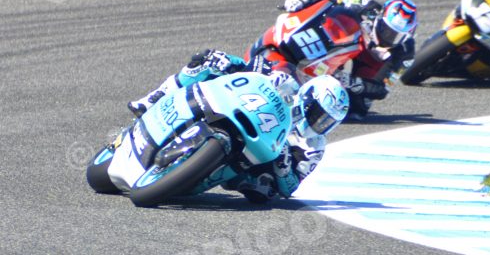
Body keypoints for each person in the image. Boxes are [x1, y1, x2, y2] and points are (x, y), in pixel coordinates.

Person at [127, 49, 349, 203]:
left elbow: (291, 187)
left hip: (252, 163)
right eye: (320, 115)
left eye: (328, 122)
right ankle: (152, 99)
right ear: (308, 99)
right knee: (205, 60)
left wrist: (283, 165)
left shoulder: (314, 147)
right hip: (241, 112)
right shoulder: (287, 85)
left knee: (265, 190)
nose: (320, 124)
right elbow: (254, 69)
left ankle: (198, 175)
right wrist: (230, 62)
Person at [266, 0, 418, 119]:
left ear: (407, 35)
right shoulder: (369, 7)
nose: (388, 36)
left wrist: (352, 82)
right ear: (380, 17)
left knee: (357, 109)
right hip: (347, 46)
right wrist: (302, 0)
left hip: (364, 73)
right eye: (386, 29)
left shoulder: (406, 53)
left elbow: (382, 89)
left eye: (395, 35)